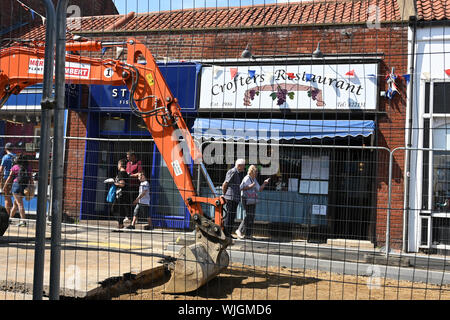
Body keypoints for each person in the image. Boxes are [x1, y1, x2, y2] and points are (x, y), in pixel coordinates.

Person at [236, 165, 270, 239]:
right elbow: (241, 188)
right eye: (256, 172)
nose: (257, 173)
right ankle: (239, 230)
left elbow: (259, 189)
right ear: (252, 172)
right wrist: (250, 186)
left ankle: (248, 234)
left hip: (252, 198)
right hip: (245, 198)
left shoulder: (254, 179)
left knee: (252, 216)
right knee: (248, 215)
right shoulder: (247, 178)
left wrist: (264, 183)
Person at [5, 154, 31, 227]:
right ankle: (9, 218)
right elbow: (31, 179)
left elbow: (9, 178)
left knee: (19, 204)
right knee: (16, 204)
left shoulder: (15, 167)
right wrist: (31, 187)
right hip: (24, 186)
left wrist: (5, 185)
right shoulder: (28, 167)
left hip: (16, 185)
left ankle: (23, 221)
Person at [222, 158, 245, 237]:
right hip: (230, 198)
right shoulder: (232, 171)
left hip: (235, 198)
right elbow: (225, 183)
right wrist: (224, 194)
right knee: (229, 216)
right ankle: (225, 234)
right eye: (243, 166)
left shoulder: (238, 173)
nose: (244, 167)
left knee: (232, 217)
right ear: (239, 166)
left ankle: (228, 233)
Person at [111, 159, 131, 230]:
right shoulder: (126, 173)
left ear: (120, 165)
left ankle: (121, 224)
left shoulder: (121, 173)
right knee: (121, 210)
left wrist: (114, 183)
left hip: (121, 194)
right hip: (124, 194)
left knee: (115, 209)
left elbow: (122, 184)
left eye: (118, 164)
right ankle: (121, 225)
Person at [125, 150, 143, 223]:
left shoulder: (138, 163)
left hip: (135, 185)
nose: (128, 158)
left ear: (133, 156)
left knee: (134, 202)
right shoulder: (128, 163)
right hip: (127, 185)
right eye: (127, 157)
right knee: (127, 201)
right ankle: (128, 217)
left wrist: (131, 175)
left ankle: (135, 217)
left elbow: (140, 173)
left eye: (129, 157)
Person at [0, 143, 17, 215]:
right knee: (13, 197)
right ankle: (12, 212)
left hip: (6, 178)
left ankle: (7, 215)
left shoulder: (5, 157)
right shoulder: (16, 156)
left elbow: (1, 170)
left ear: (5, 148)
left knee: (6, 198)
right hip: (15, 179)